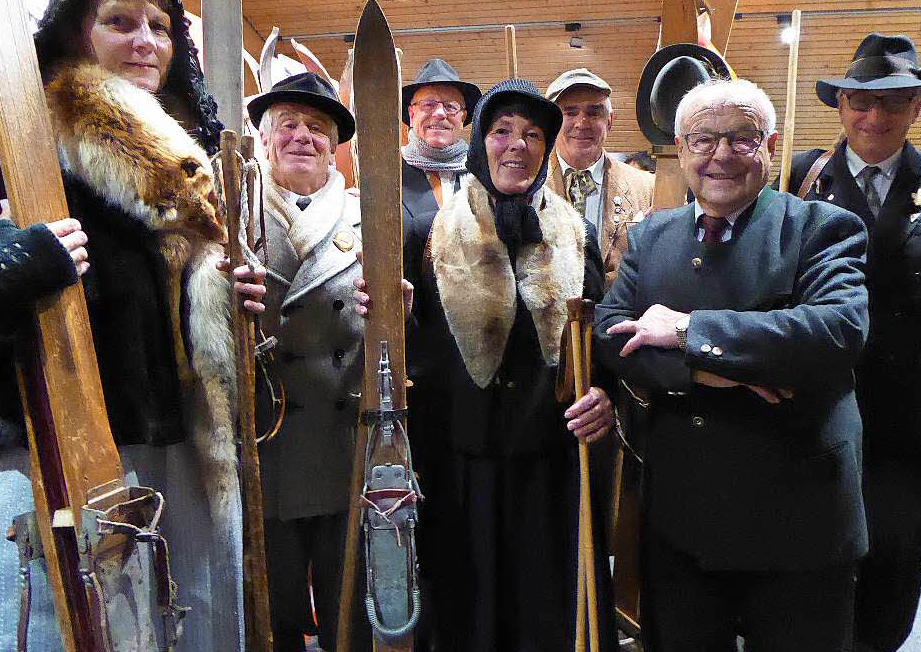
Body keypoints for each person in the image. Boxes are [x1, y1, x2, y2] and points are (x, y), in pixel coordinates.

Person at [0, 0, 264, 652]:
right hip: (64, 450)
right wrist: (7, 274)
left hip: (188, 454)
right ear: (78, 29)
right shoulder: (17, 146)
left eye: (160, 26)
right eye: (120, 21)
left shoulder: (198, 158)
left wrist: (239, 302)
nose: (146, 42)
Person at [595, 78, 870, 652]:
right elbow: (608, 335)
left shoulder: (820, 229)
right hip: (683, 519)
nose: (720, 155)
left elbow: (838, 329)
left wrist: (689, 331)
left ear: (769, 145)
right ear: (679, 145)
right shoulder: (652, 235)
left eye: (741, 139)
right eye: (703, 139)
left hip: (798, 519)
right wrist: (706, 369)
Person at [785, 33, 921, 652]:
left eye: (894, 103)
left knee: (896, 542)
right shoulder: (802, 175)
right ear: (841, 106)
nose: (874, 118)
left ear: (916, 109)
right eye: (860, 102)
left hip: (906, 403)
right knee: (813, 534)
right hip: (815, 396)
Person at [402, 79, 616, 651]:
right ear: (480, 142)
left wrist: (603, 396)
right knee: (467, 612)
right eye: (500, 131)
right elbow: (409, 341)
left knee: (541, 615)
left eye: (531, 135)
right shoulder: (428, 235)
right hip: (459, 463)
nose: (515, 146)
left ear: (547, 149)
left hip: (549, 462)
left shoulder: (577, 233)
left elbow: (594, 342)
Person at [246, 72, 372, 652]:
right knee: (274, 609)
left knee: (349, 600)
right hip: (262, 436)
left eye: (317, 128)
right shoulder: (232, 215)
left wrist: (393, 312)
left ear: (334, 144)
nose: (303, 137)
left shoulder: (368, 218)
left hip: (340, 436)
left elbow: (399, 333)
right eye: (288, 125)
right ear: (267, 139)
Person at [544, 68, 654, 283]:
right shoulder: (528, 189)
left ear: (610, 121)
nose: (582, 123)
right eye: (570, 112)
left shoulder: (648, 188)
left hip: (623, 314)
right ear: (551, 122)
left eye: (594, 112)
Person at [400, 59, 481, 231]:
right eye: (428, 104)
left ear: (463, 117)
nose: (439, 113)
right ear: (411, 113)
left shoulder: (482, 172)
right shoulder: (387, 174)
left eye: (450, 106)